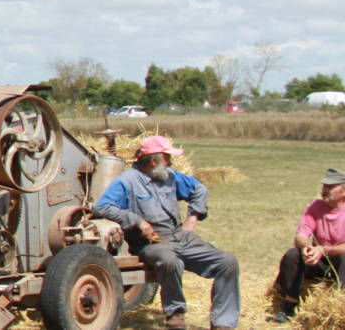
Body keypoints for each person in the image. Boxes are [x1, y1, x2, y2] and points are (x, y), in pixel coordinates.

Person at [94, 135, 240, 329]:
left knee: (227, 262)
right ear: (154, 160)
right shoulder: (128, 180)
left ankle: (223, 323)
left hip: (179, 236)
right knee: (171, 261)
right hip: (150, 243)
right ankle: (175, 314)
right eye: (167, 157)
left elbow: (199, 189)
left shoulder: (170, 176)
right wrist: (137, 221)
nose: (171, 161)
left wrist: (192, 217)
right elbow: (102, 207)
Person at [266, 168, 345, 323]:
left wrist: (323, 250)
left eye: (330, 187)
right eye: (324, 186)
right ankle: (289, 306)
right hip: (323, 261)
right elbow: (300, 236)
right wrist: (307, 248)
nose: (325, 190)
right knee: (293, 254)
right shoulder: (316, 206)